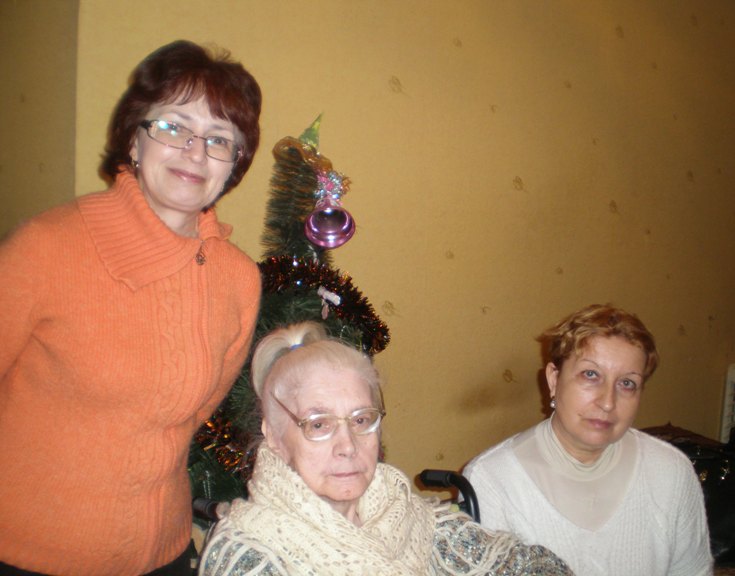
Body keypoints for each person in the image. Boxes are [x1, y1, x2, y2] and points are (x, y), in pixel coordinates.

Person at [0, 41, 263, 575]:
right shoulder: (46, 247)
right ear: (133, 139)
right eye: (173, 126)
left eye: (218, 139)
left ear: (234, 165)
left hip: (164, 553)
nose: (195, 152)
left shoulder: (238, 278)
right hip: (28, 552)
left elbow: (193, 414)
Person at [199, 322, 574, 575]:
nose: (348, 446)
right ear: (274, 436)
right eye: (318, 424)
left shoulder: (408, 514)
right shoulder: (249, 555)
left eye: (361, 419)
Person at [464, 304, 714, 576]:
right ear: (554, 380)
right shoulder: (492, 481)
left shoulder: (670, 471)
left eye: (627, 383)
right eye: (591, 375)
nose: (607, 402)